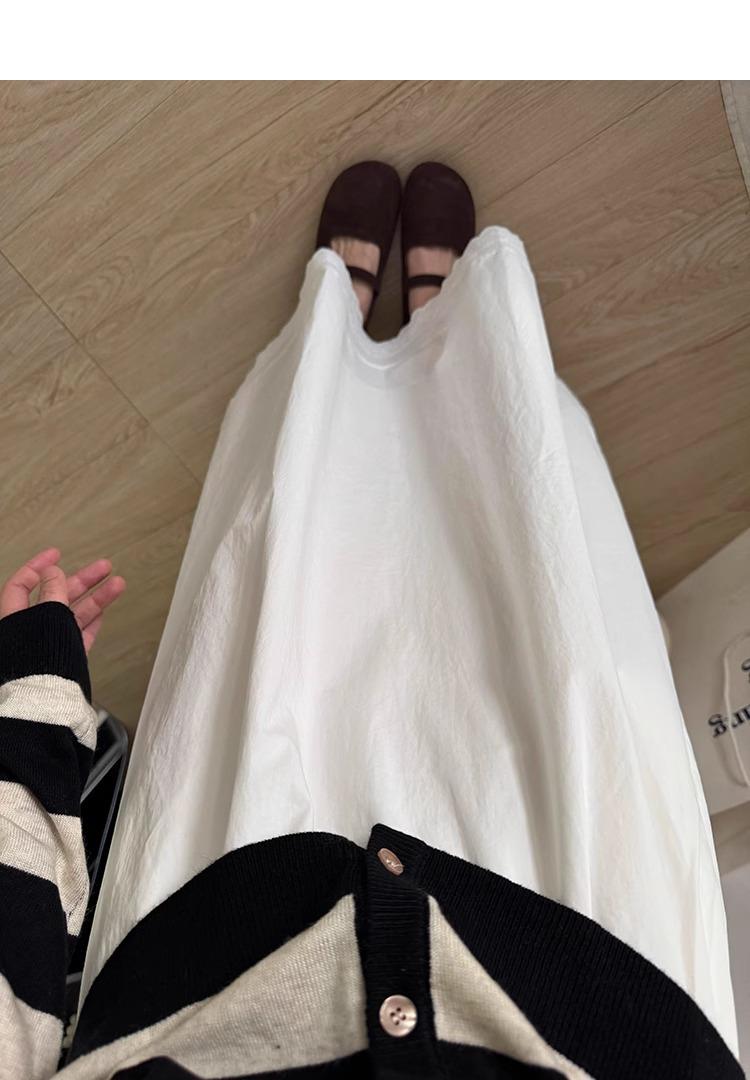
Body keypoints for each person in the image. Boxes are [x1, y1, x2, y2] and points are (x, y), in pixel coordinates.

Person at [0, 162, 742, 1079]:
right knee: (552, 640)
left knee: (275, 611)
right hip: (586, 1006)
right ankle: (459, 349)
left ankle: (336, 355)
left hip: (220, 967)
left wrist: (29, 712)